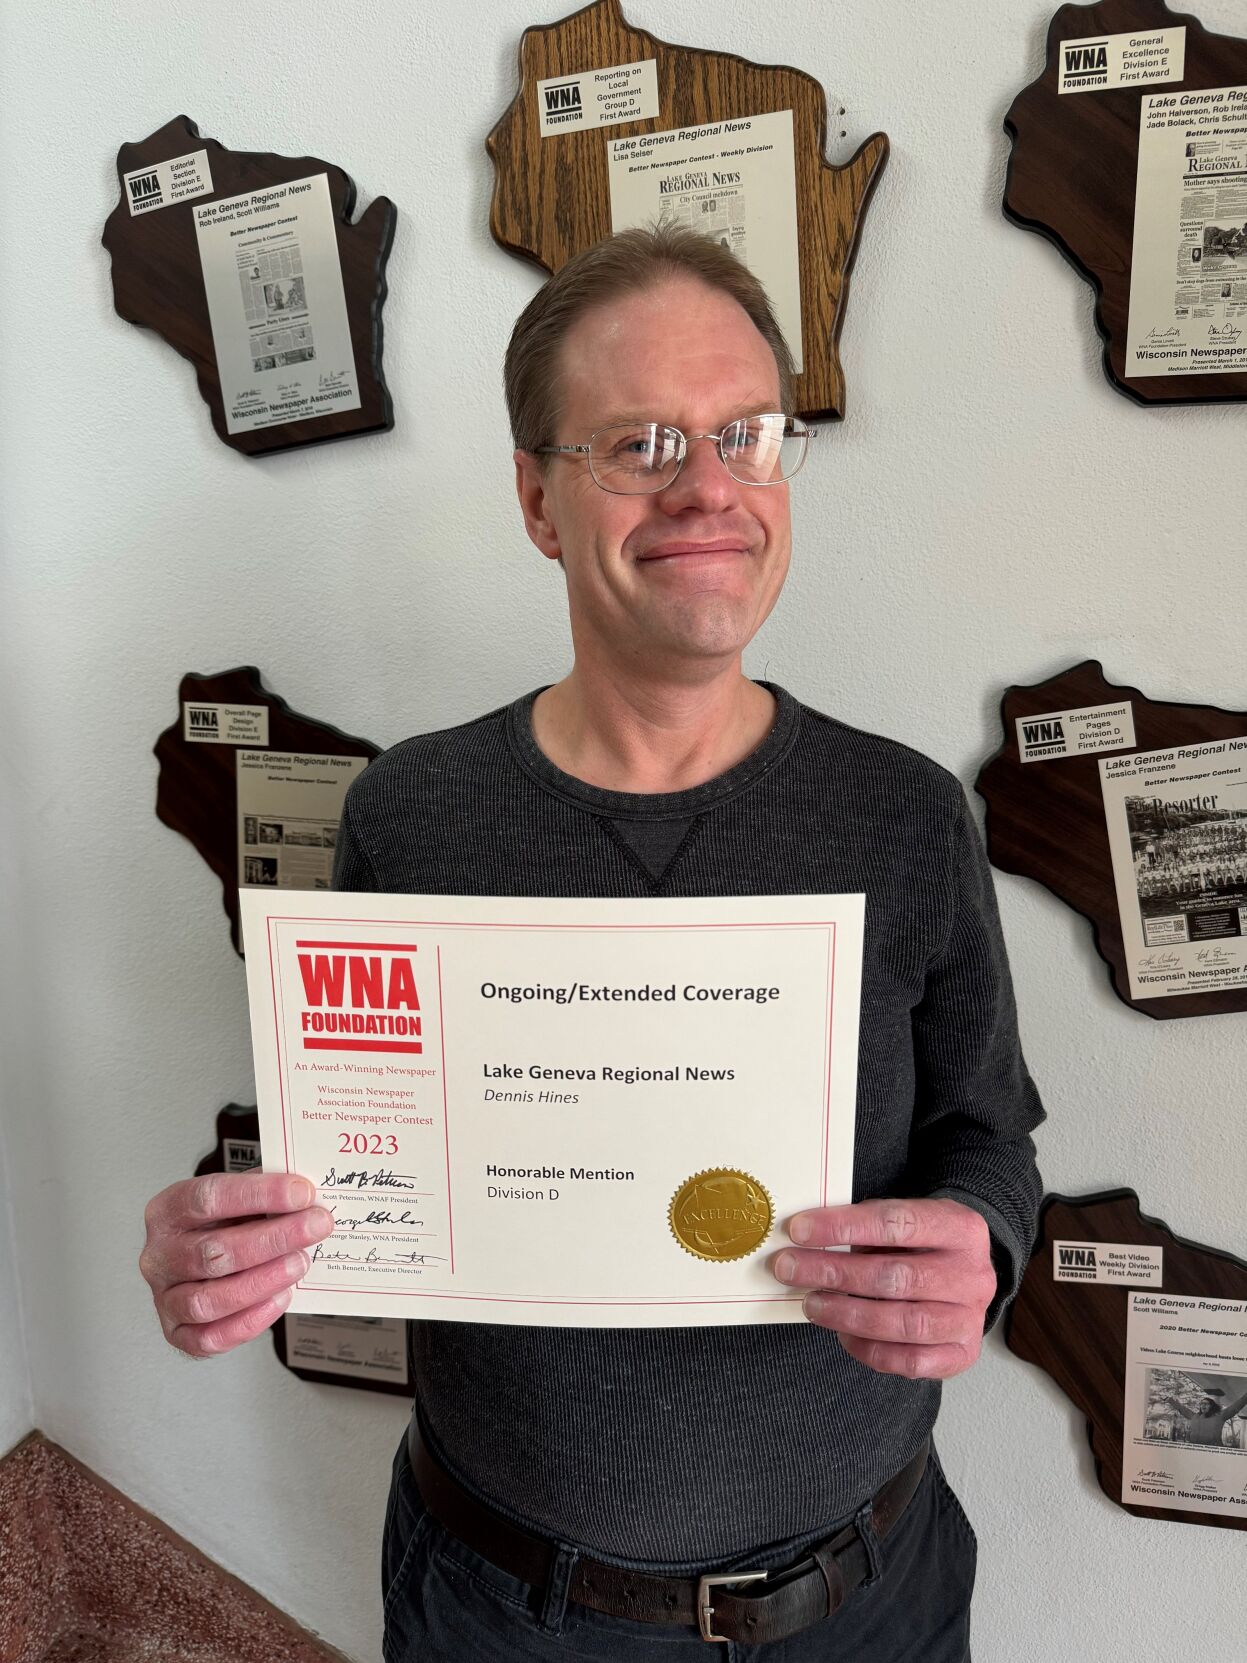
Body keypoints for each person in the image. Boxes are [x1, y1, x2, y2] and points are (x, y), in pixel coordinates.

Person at [140, 226, 1044, 1660]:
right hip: (507, 1610)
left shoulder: (904, 816)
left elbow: (990, 1137)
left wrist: (980, 1248)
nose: (709, 486)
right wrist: (235, 1241)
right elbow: (360, 1159)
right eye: (639, 441)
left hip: (868, 1597)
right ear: (538, 500)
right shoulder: (410, 819)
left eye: (746, 434)